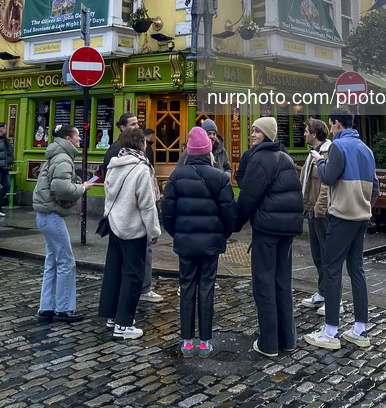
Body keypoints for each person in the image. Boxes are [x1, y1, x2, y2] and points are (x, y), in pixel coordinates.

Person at [304, 107, 378, 351]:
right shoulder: (366, 150)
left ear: (336, 124)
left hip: (342, 215)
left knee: (332, 268)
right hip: (362, 217)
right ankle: (359, 329)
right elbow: (375, 188)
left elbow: (327, 177)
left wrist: (321, 161)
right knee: (357, 269)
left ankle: (331, 331)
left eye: (331, 124)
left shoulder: (338, 146)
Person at [162, 126, 236, 357]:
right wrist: (221, 235)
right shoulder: (220, 177)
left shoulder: (176, 176)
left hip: (186, 242)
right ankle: (204, 341)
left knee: (186, 288)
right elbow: (229, 214)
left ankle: (186, 341)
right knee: (206, 288)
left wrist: (178, 234)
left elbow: (167, 214)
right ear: (207, 152)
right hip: (210, 243)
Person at [235, 116, 303, 357]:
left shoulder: (261, 158)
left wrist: (234, 224)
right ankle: (288, 339)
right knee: (282, 283)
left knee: (263, 284)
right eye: (252, 130)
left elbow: (248, 197)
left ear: (267, 134)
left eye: (257, 131)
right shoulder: (285, 156)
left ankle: (269, 343)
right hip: (287, 230)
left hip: (267, 230)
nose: (252, 134)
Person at [98, 127, 161, 339]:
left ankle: (112, 316)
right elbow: (147, 204)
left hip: (115, 226)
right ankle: (124, 324)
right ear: (141, 144)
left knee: (114, 272)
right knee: (133, 276)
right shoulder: (141, 169)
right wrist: (154, 229)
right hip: (133, 229)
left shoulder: (114, 165)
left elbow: (108, 195)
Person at [33, 124, 93, 323]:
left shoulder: (55, 155)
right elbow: (62, 188)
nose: (80, 139)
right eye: (77, 136)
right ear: (68, 138)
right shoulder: (63, 158)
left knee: (52, 260)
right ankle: (64, 309)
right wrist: (82, 187)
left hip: (45, 215)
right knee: (66, 261)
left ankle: (46, 307)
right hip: (52, 215)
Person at [300, 119, 343, 316]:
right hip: (311, 210)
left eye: (306, 131)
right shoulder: (311, 155)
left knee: (329, 257)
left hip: (323, 213)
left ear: (314, 134)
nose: (304, 134)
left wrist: (319, 208)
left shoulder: (329, 152)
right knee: (317, 256)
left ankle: (336, 300)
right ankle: (323, 293)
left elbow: (327, 184)